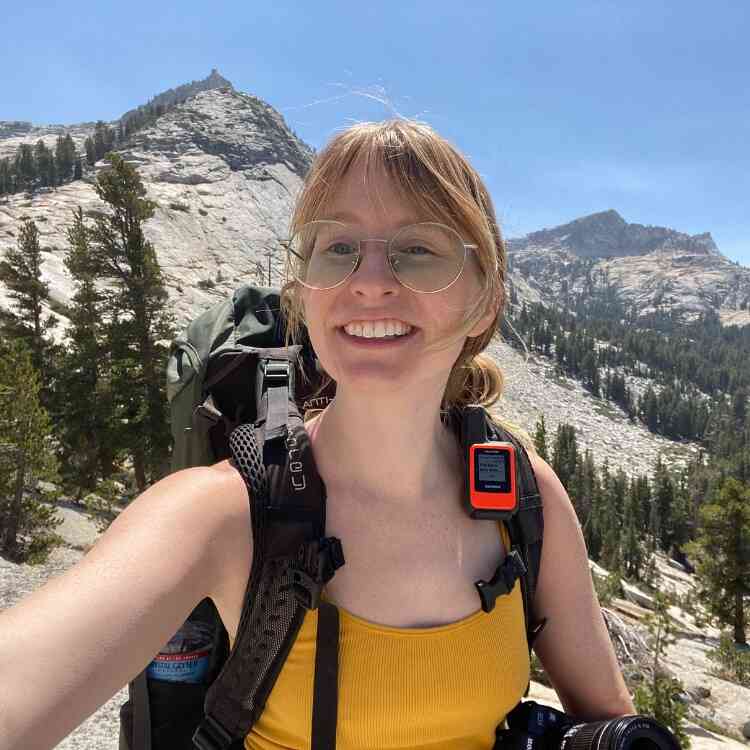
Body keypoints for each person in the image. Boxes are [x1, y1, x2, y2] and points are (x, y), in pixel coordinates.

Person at [0, 119, 635, 750]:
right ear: (303, 291)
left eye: (418, 248)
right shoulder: (218, 514)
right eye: (336, 248)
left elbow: (612, 727)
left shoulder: (523, 494)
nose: (369, 280)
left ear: (485, 300)